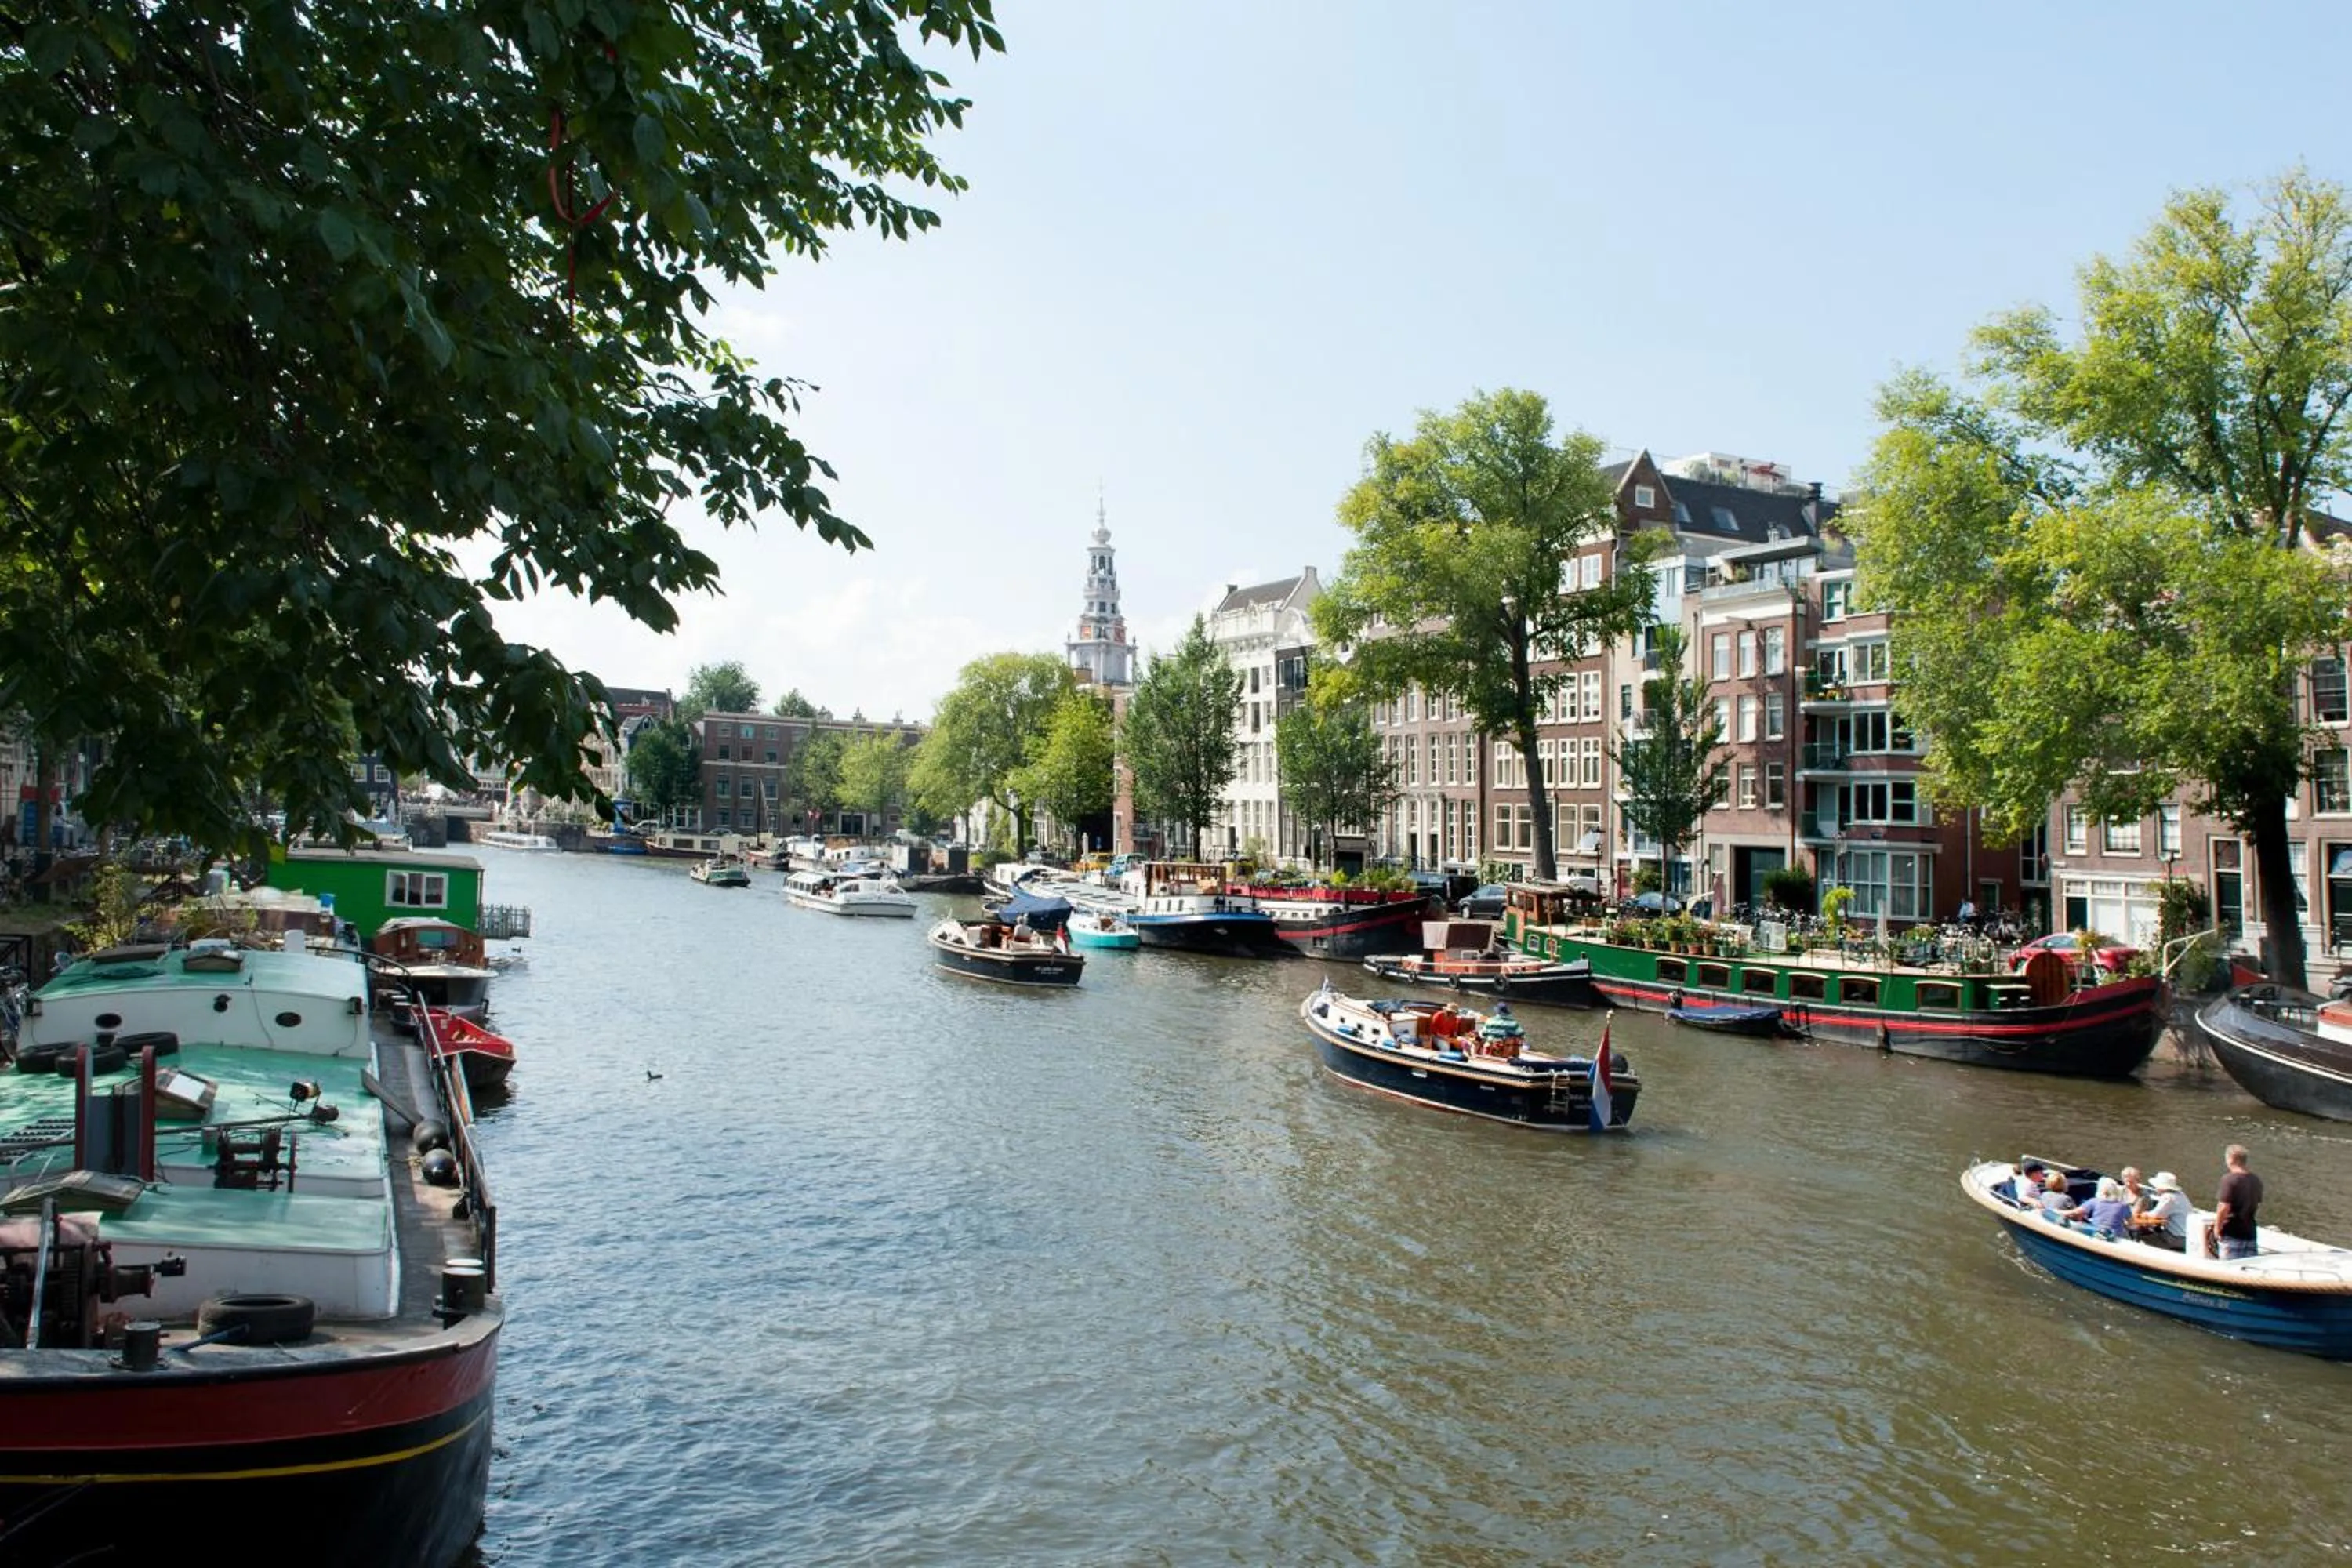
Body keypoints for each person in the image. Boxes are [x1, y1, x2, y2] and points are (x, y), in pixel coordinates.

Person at [2212, 1144, 2263, 1260]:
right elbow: (2257, 1204)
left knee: (2228, 1269)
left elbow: (2224, 1207)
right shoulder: (2256, 1180)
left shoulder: (2229, 1180)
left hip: (2231, 1232)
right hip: (2250, 1232)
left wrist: (2217, 1227)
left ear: (2230, 1159)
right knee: (2248, 1268)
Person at [2132, 1171, 2190, 1252]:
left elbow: (2154, 1216)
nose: (2156, 1188)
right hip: (2186, 1236)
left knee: (2142, 1236)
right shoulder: (2181, 1194)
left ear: (2162, 1187)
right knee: (2152, 1230)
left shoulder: (2168, 1198)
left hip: (2177, 1237)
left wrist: (2141, 1214)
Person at [2062, 1177, 2135, 1239]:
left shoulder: (2094, 1201)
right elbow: (2132, 1225)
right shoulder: (2124, 1206)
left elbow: (2073, 1213)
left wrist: (2055, 1211)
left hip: (2096, 1233)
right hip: (2115, 1237)